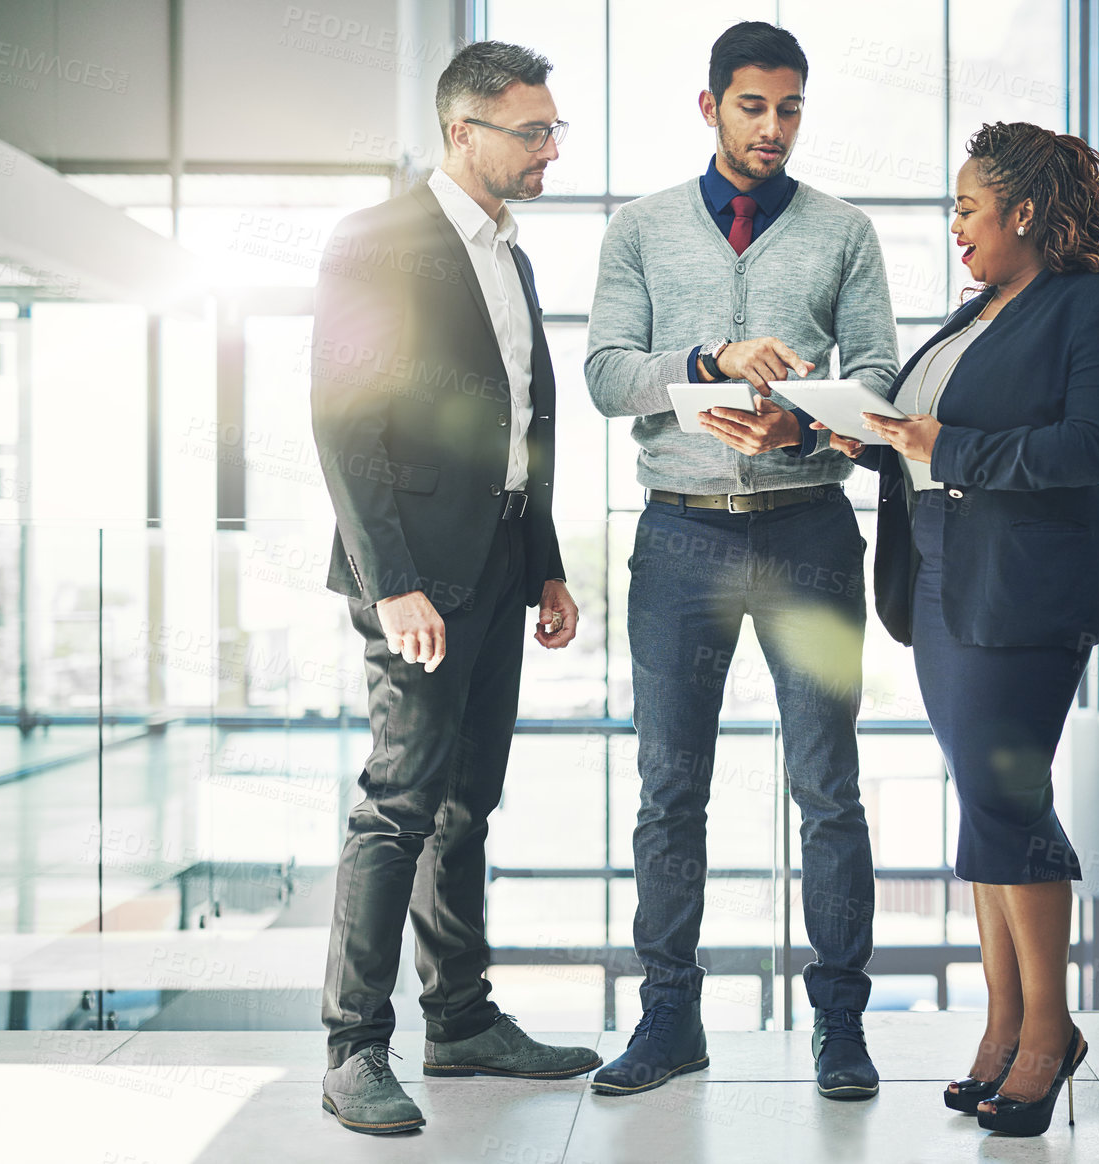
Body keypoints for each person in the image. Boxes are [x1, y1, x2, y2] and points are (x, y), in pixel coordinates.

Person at [584, 21, 898, 1102]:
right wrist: (711, 365)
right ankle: (669, 1020)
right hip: (680, 534)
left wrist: (804, 430)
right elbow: (606, 373)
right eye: (754, 105)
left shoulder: (846, 232)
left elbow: (880, 386)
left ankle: (841, 1028)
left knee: (828, 788)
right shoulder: (639, 230)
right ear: (710, 104)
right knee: (670, 790)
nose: (774, 126)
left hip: (810, 531)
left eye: (791, 107)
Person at [824, 121, 1099, 1137]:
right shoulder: (982, 310)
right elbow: (929, 446)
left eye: (967, 206)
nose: (954, 225)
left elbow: (1093, 446)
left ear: (1023, 211)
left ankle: (1050, 1032)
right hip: (940, 585)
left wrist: (943, 443)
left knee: (1007, 806)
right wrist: (862, 437)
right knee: (983, 809)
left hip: (1022, 597)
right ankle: (1004, 1021)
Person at [310, 41, 599, 1135]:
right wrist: (393, 587)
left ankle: (462, 1020)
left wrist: (550, 566)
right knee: (398, 804)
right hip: (417, 584)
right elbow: (345, 419)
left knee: (467, 804)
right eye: (533, 131)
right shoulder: (379, 242)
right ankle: (352, 1050)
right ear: (463, 133)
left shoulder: (509, 257)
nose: (549, 149)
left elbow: (521, 426)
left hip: (498, 570)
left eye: (554, 129)